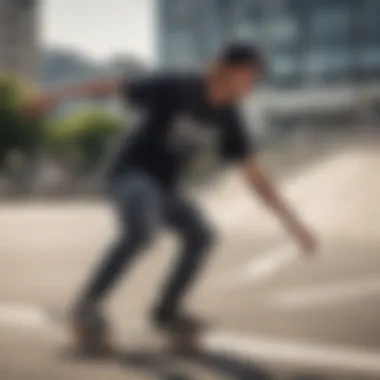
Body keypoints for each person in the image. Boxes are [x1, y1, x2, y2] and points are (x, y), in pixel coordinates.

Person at [26, 43, 317, 347]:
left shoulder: (229, 116)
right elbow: (112, 86)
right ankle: (86, 307)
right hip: (130, 173)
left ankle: (166, 312)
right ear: (226, 70)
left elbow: (255, 175)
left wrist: (293, 224)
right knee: (141, 229)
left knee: (202, 235)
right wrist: (54, 96)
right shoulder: (177, 86)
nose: (252, 84)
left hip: (166, 187)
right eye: (250, 76)